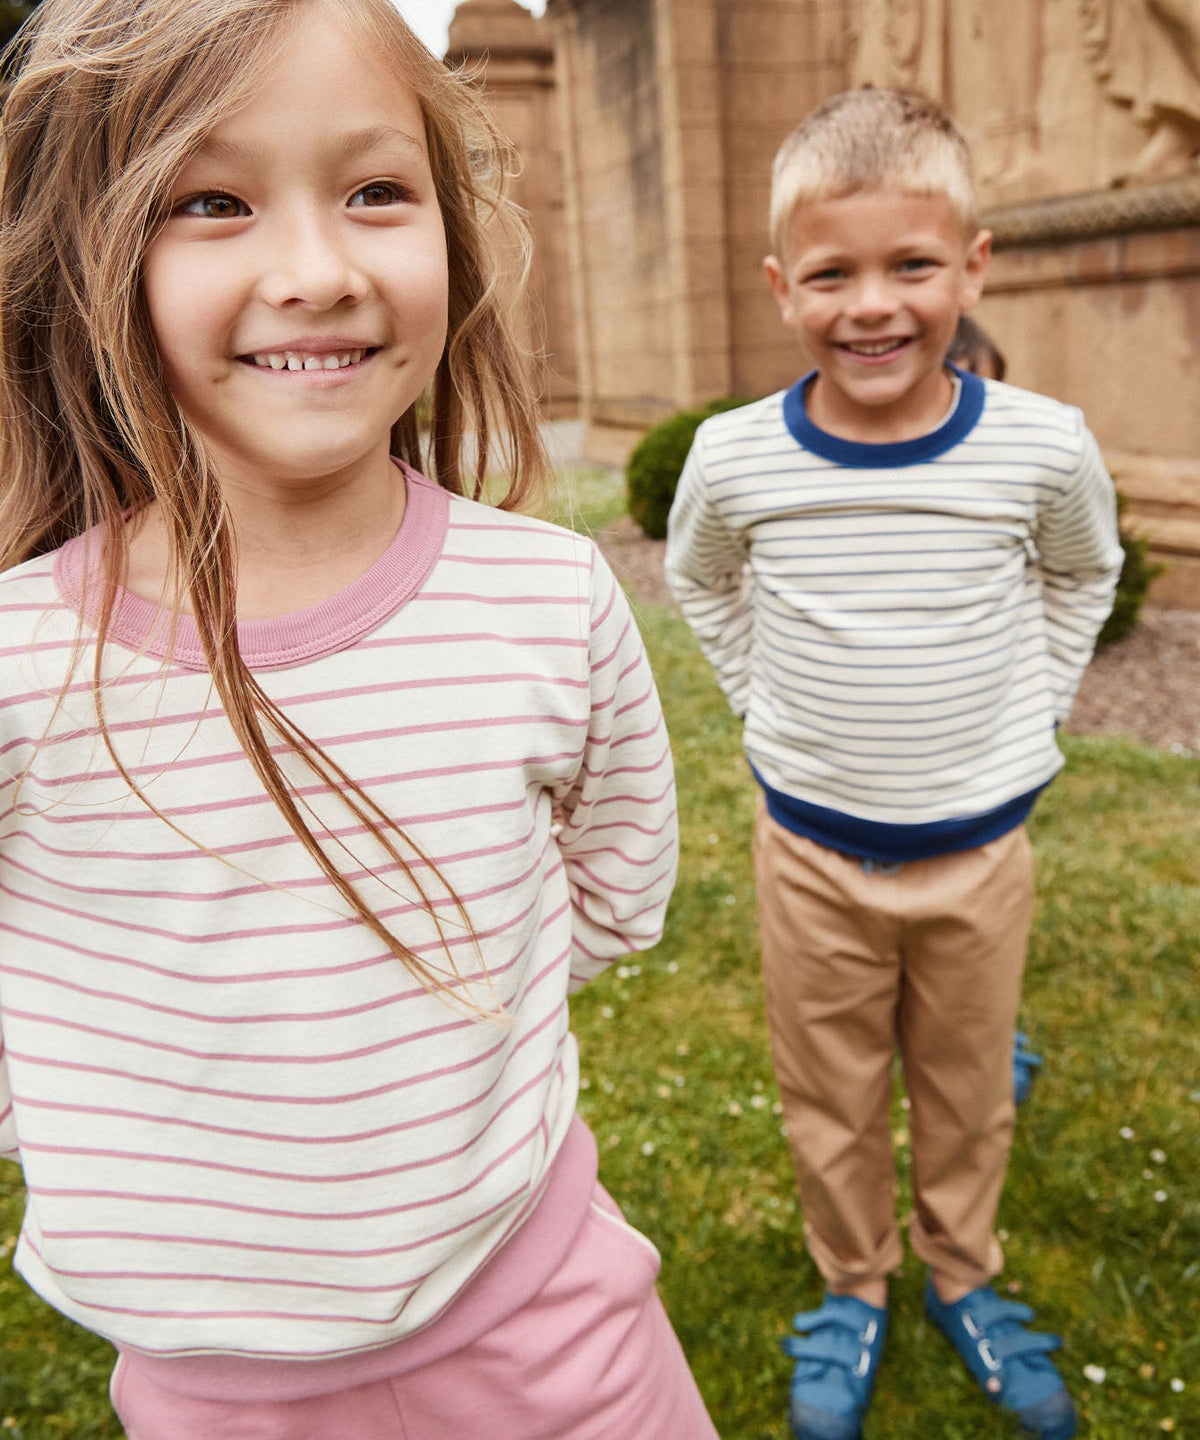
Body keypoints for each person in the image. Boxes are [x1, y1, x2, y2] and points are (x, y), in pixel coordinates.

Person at [0, 3, 719, 1437]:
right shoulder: (20, 664)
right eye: (214, 202)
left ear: (451, 230)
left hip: (555, 1333)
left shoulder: (548, 597)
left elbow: (619, 883)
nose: (317, 272)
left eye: (376, 192)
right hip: (217, 1403)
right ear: (94, 254)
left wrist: (447, 1013)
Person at [665, 87, 1122, 1440]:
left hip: (980, 856)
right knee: (833, 1092)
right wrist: (767, 705)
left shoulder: (1041, 445)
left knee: (967, 1092)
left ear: (972, 264)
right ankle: (854, 1285)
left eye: (912, 265)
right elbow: (702, 584)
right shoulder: (736, 458)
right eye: (833, 273)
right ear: (780, 286)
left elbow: (1081, 570)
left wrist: (1029, 708)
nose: (874, 305)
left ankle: (963, 1274)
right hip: (811, 855)